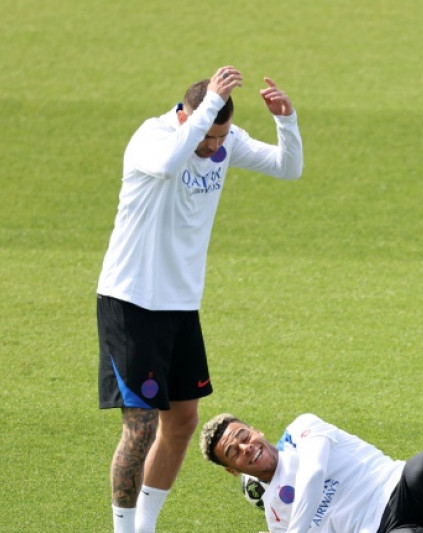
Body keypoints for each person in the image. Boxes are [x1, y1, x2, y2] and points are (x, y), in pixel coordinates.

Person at [97, 65, 303, 533]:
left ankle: (145, 527)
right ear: (188, 116)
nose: (215, 146)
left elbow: (288, 169)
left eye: (221, 136)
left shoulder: (223, 138)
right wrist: (209, 106)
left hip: (180, 304)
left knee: (184, 422)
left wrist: (286, 121)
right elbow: (171, 163)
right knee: (141, 426)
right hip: (132, 300)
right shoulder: (153, 137)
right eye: (208, 135)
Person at [199, 412, 423, 533]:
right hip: (387, 529)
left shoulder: (302, 429)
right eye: (234, 452)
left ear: (255, 430)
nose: (246, 447)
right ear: (233, 470)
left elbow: (314, 472)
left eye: (244, 436)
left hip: (406, 490)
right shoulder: (276, 514)